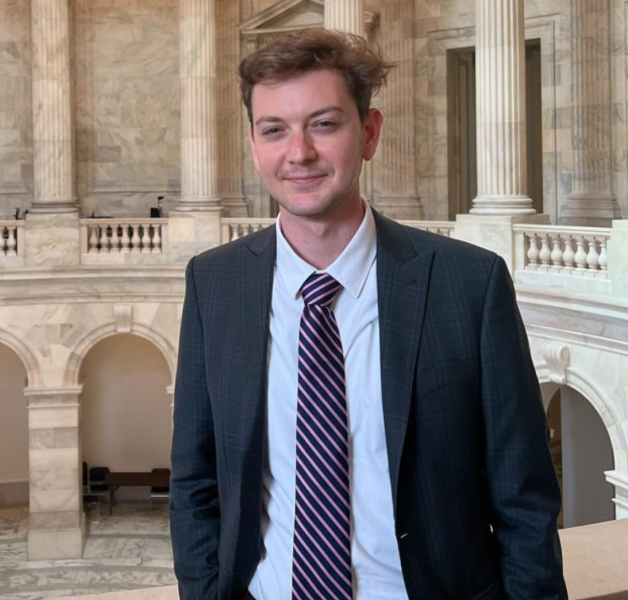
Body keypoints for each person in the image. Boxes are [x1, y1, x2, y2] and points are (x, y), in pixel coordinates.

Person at [169, 28, 566, 600]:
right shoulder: (215, 283)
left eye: (325, 124)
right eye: (274, 130)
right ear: (255, 146)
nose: (299, 152)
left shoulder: (470, 284)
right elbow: (196, 482)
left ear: (370, 133)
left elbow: (524, 501)